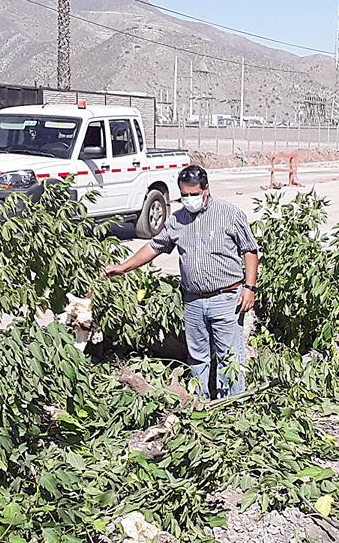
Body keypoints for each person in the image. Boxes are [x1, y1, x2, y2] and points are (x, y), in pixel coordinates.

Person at [100, 165, 259, 399]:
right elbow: (154, 246)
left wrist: (250, 287)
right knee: (197, 357)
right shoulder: (177, 220)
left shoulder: (229, 214)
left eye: (194, 194)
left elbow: (250, 250)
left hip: (227, 298)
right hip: (193, 301)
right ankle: (200, 404)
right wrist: (124, 267)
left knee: (230, 357)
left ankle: (232, 408)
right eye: (184, 195)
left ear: (206, 189)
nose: (189, 199)